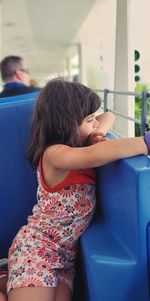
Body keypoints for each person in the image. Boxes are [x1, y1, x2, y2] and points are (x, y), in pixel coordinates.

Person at [7, 79, 150, 301]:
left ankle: (8, 277)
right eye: (89, 120)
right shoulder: (55, 154)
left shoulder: (78, 143)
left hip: (64, 256)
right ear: (64, 124)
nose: (95, 123)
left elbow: (108, 116)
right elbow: (94, 156)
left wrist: (93, 132)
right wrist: (146, 142)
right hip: (37, 247)